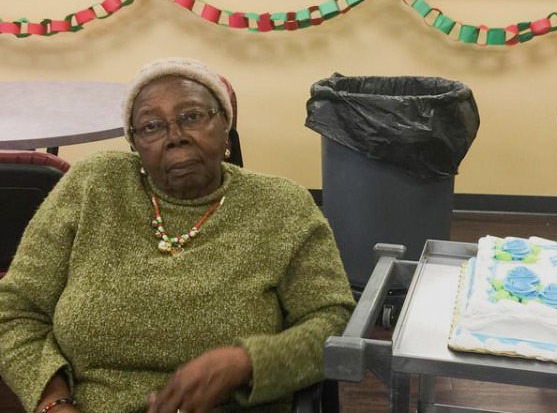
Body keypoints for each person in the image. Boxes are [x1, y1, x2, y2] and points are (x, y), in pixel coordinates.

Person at [0, 57, 355, 413]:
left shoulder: (281, 205)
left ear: (224, 126)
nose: (176, 138)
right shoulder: (94, 186)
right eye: (152, 126)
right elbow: (14, 310)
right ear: (135, 144)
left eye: (192, 116)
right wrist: (54, 401)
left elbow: (334, 322)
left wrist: (245, 363)